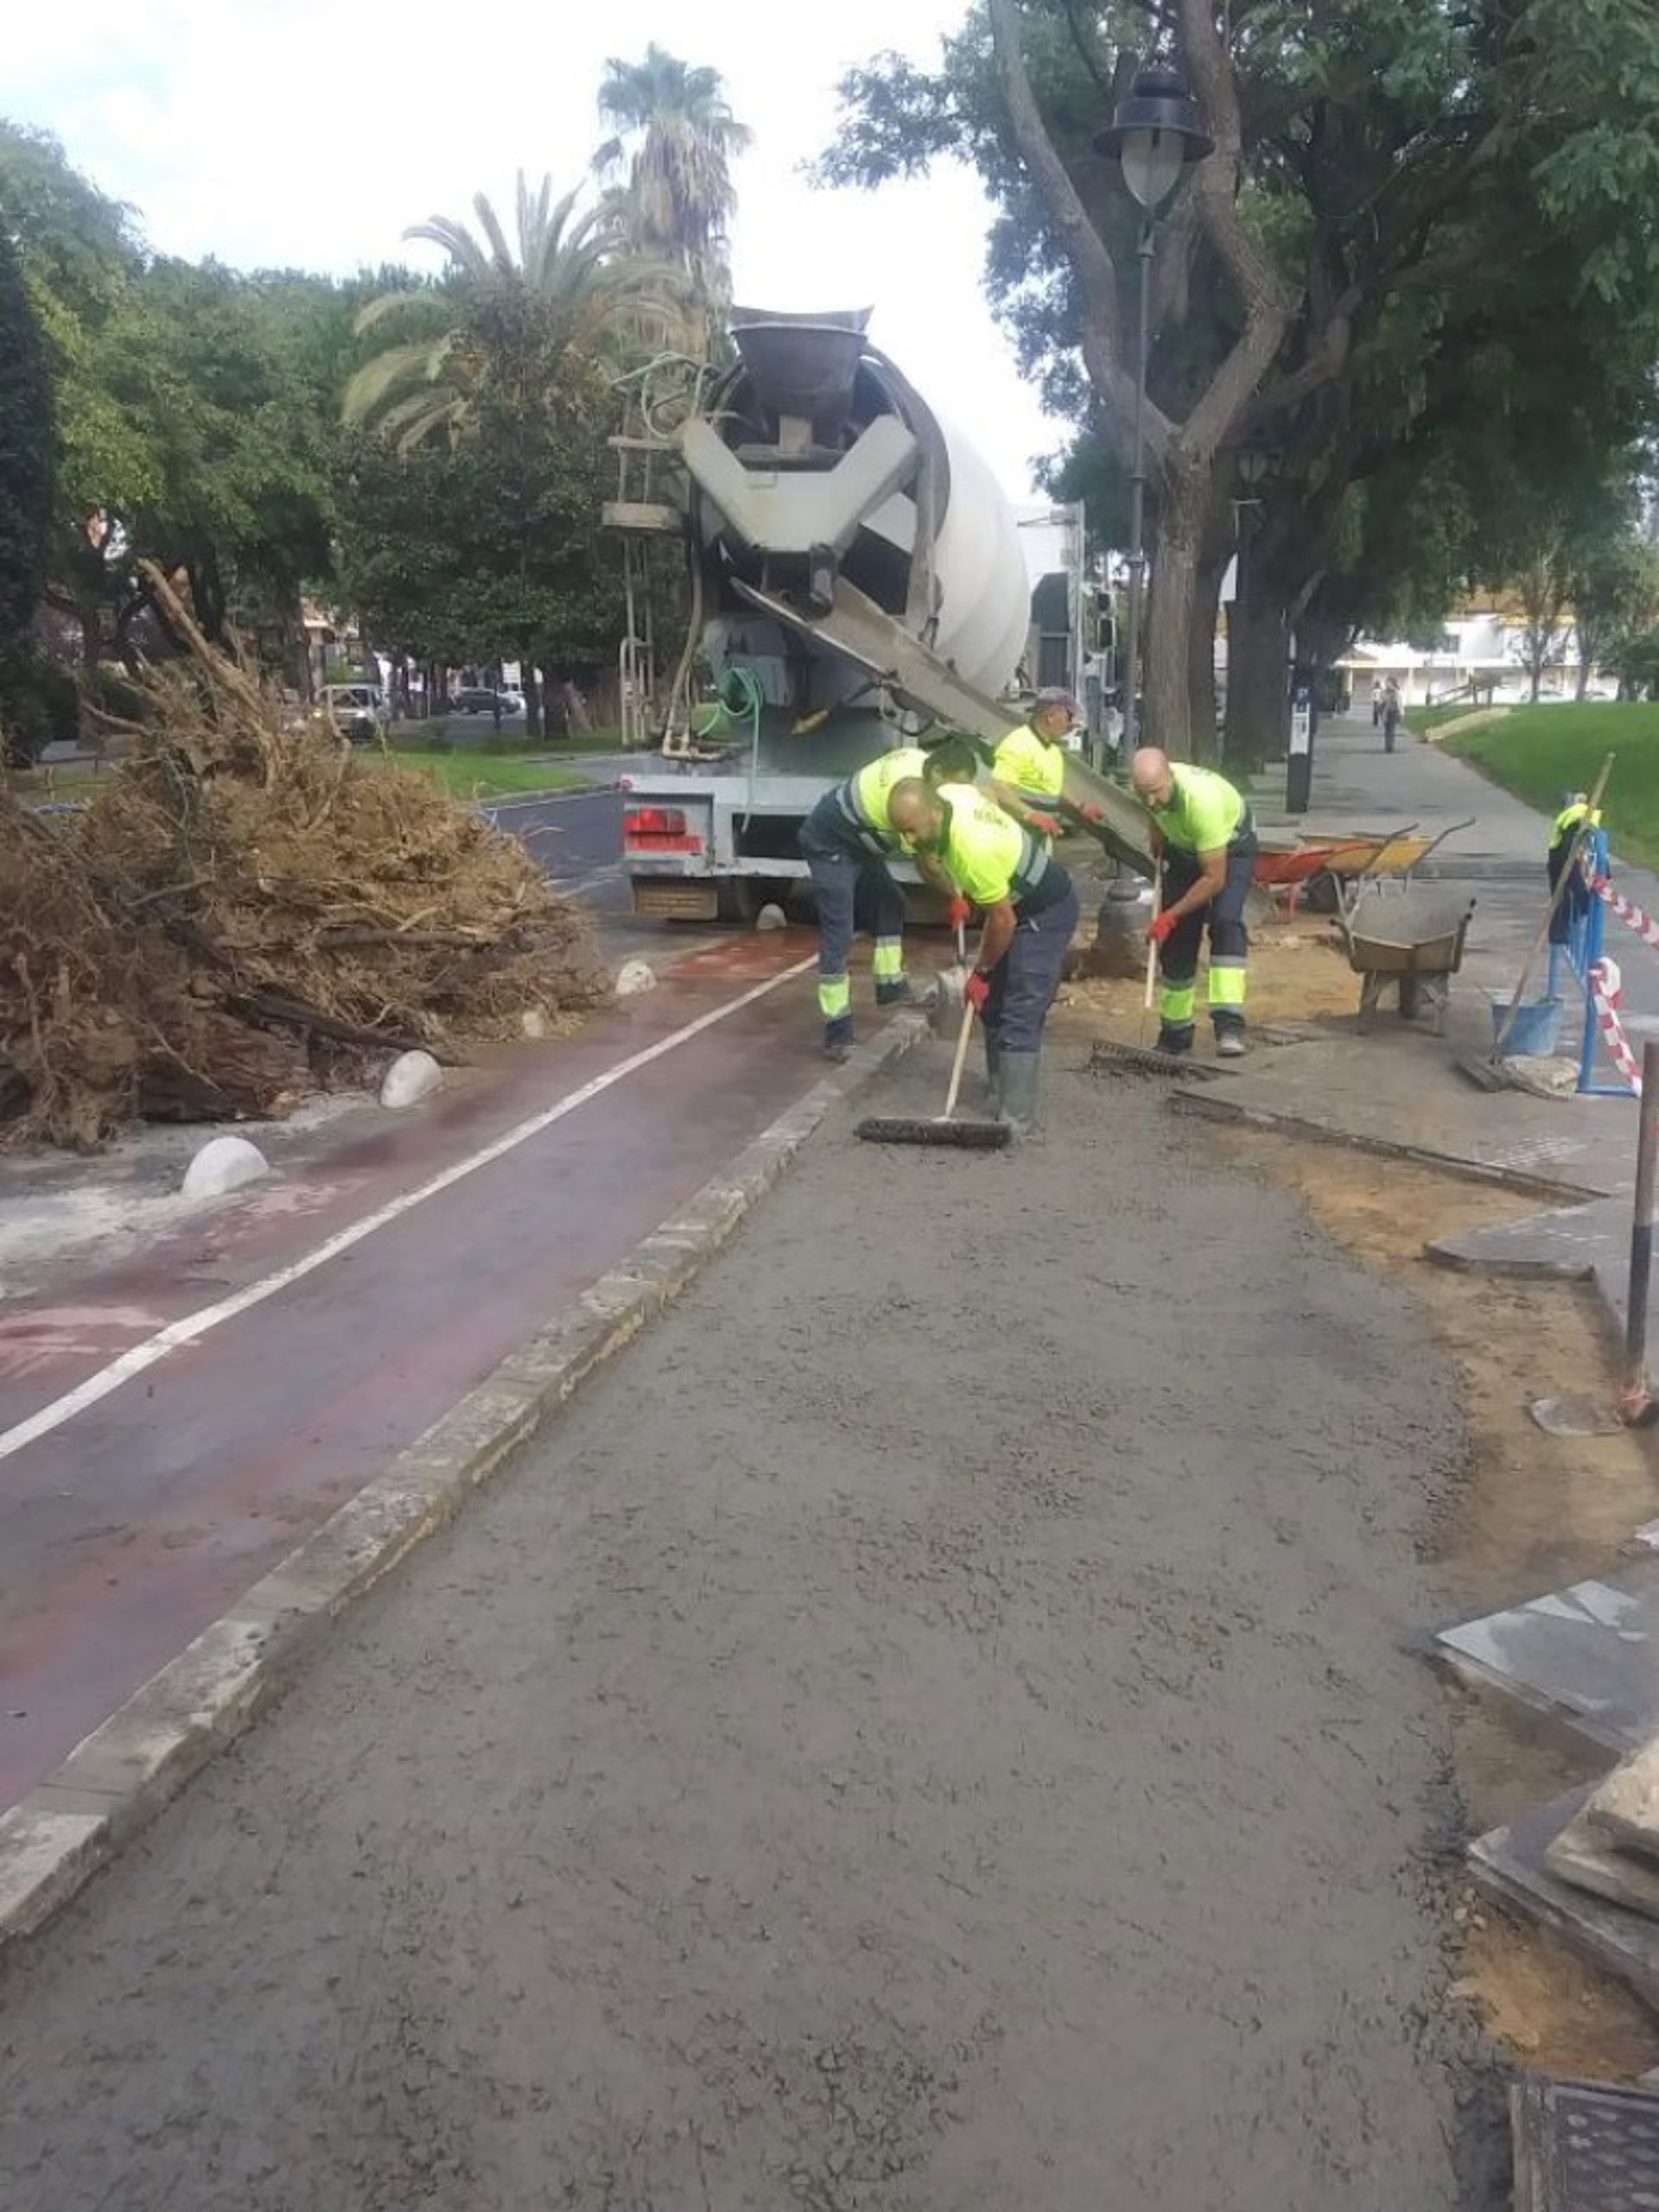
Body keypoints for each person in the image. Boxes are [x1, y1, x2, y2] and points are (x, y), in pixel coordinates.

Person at [886, 777, 1079, 1134]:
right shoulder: (950, 795)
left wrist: (982, 972)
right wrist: (955, 895)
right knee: (992, 1004)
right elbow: (987, 789)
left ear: (933, 811)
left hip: (1046, 910)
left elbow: (1003, 921)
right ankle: (999, 1089)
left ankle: (1015, 1119)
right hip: (1012, 903)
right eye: (902, 832)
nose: (908, 841)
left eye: (911, 830)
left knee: (1020, 1010)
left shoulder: (973, 850)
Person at [797, 740, 972, 1063]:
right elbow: (928, 865)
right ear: (936, 772)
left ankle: (890, 986)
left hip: (858, 841)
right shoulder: (904, 805)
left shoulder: (918, 765)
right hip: (829, 844)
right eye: (950, 786)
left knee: (891, 900)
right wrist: (955, 895)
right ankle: (837, 1033)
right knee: (839, 932)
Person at [1128, 747, 1256, 1059]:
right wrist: (1157, 829)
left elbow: (1214, 879)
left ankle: (1229, 1025)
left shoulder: (1202, 803)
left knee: (1225, 922)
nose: (1150, 801)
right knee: (1177, 938)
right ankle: (1176, 1033)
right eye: (1143, 794)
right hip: (1183, 847)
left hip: (1229, 849)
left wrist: (1169, 915)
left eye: (1155, 792)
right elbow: (1151, 808)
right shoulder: (1151, 789)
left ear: (1169, 777)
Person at [988, 687, 1116, 845]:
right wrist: (1031, 815)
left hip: (1042, 834)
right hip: (1017, 834)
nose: (1071, 725)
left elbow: (1054, 786)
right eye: (1069, 717)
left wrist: (1080, 806)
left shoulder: (1052, 750)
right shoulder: (1018, 744)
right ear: (1051, 717)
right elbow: (1000, 789)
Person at [1381, 677, 1402, 753]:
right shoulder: (1384, 692)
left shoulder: (1396, 692)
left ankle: (1390, 747)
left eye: (1388, 683)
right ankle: (1387, 746)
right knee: (1387, 730)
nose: (1387, 684)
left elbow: (1400, 703)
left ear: (1392, 683)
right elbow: (1382, 701)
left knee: (1392, 729)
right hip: (1386, 712)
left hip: (1394, 712)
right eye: (1386, 683)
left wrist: (1401, 713)